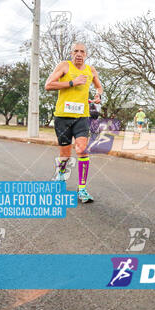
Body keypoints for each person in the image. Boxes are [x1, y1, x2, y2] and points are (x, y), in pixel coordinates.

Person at [44, 42, 103, 203]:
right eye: (75, 51)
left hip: (82, 117)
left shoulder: (91, 70)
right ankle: (61, 180)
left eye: (82, 51)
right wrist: (72, 82)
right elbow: (48, 85)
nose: (79, 54)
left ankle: (82, 189)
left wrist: (98, 95)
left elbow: (99, 87)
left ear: (86, 54)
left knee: (82, 149)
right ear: (71, 54)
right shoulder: (64, 66)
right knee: (65, 154)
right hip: (62, 117)